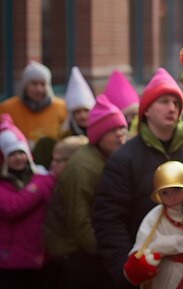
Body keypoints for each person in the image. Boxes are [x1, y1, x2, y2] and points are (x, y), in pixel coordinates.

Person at [92, 68, 183, 288]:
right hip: (150, 272)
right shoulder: (124, 158)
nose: (172, 108)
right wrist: (126, 274)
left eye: (176, 103)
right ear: (146, 110)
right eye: (163, 101)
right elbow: (109, 220)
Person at [45, 95, 128, 289]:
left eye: (121, 128)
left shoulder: (107, 157)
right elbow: (79, 221)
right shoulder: (82, 168)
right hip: (74, 252)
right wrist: (107, 252)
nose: (119, 135)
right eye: (112, 130)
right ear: (98, 136)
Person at [123, 161, 183, 289]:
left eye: (176, 189)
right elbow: (137, 259)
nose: (171, 197)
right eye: (165, 192)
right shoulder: (154, 217)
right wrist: (182, 241)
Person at [0, 114, 55, 289]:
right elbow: (12, 207)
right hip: (11, 262)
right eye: (12, 154)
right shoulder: (40, 181)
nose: (17, 158)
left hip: (40, 258)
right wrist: (37, 186)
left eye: (20, 153)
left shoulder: (41, 178)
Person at [0, 61, 67, 158]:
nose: (39, 89)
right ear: (25, 86)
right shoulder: (7, 108)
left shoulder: (61, 107)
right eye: (34, 84)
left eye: (43, 84)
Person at [60, 66, 96, 138]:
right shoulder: (66, 136)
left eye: (86, 111)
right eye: (78, 112)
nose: (83, 116)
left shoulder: (100, 133)